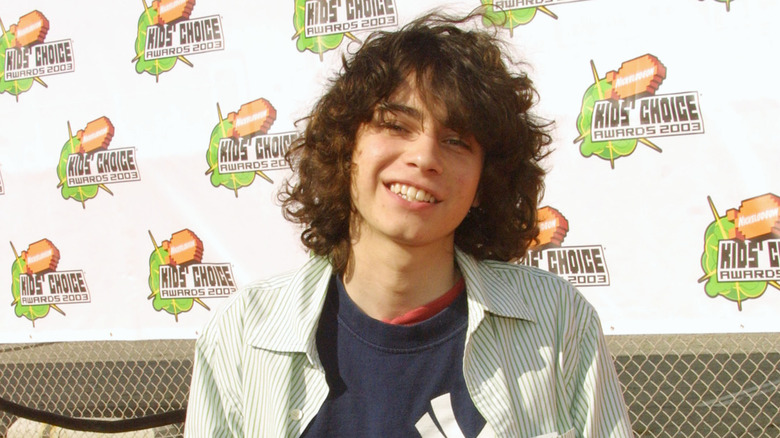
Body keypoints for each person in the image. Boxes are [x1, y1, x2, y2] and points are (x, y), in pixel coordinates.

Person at [184, 10, 633, 438]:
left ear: (484, 182)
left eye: (456, 140)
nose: (424, 157)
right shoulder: (243, 335)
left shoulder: (555, 320)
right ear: (346, 147)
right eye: (396, 125)